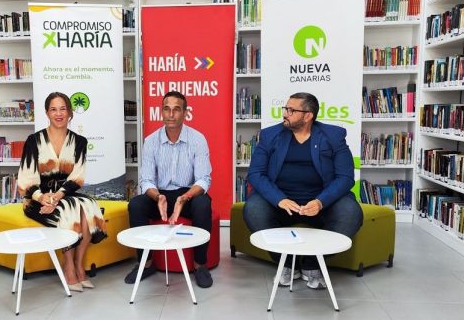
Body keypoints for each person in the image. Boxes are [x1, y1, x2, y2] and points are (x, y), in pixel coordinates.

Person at [243, 92, 363, 289]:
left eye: (291, 110)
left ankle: (312, 264)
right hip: (282, 203)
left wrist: (320, 202)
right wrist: (279, 199)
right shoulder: (270, 135)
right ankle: (287, 262)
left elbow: (345, 177)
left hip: (321, 202)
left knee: (350, 213)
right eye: (285, 108)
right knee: (253, 210)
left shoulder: (333, 136)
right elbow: (255, 173)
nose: (285, 114)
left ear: (308, 115)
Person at [17, 92, 107, 292]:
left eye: (63, 109)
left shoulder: (80, 141)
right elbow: (26, 178)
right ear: (47, 113)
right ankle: (68, 266)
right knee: (71, 209)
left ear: (70, 113)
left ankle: (78, 265)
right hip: (37, 197)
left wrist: (57, 196)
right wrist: (43, 198)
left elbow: (77, 177)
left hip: (65, 194)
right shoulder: (33, 140)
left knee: (88, 204)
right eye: (53, 109)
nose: (58, 114)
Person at [124, 91, 214, 288]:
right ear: (161, 112)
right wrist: (157, 197)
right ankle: (146, 263)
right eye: (166, 109)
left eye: (176, 109)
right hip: (161, 195)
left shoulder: (198, 139)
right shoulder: (151, 141)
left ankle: (200, 265)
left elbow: (204, 179)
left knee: (203, 204)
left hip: (188, 195)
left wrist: (185, 197)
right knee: (136, 204)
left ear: (185, 113)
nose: (171, 114)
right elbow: (146, 180)